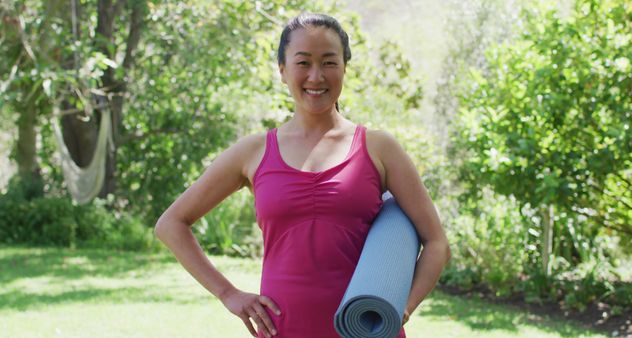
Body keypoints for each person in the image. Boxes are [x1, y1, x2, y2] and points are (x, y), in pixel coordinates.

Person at [154, 12, 450, 338]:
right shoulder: (252, 152)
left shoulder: (379, 148)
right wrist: (228, 293)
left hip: (365, 333)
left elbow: (435, 242)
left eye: (329, 62)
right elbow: (171, 224)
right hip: (284, 329)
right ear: (282, 71)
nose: (316, 76)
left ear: (345, 68)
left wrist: (400, 309)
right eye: (303, 62)